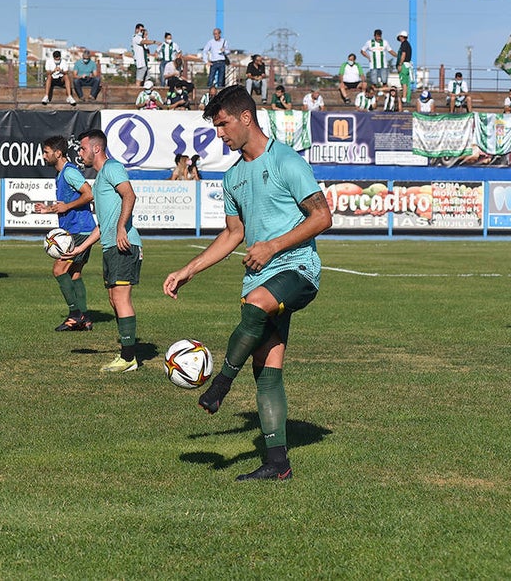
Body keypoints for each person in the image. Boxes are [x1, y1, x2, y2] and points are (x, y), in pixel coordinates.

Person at [163, 85, 332, 481]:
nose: (219, 135)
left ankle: (220, 382)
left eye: (222, 125)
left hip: (297, 270)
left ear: (245, 118)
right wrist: (188, 270)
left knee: (257, 303)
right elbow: (232, 234)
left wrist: (273, 246)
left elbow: (322, 217)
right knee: (267, 368)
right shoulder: (234, 177)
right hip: (262, 275)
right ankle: (277, 464)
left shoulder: (286, 160)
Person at [62, 129, 142, 373]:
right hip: (110, 246)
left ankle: (128, 358)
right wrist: (80, 248)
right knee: (113, 300)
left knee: (120, 298)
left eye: (83, 148)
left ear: (96, 149)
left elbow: (130, 195)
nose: (80, 152)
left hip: (124, 244)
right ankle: (127, 354)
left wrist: (121, 229)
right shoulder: (99, 180)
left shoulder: (112, 168)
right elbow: (101, 225)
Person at [34, 136, 95, 331]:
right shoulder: (61, 174)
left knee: (58, 270)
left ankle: (75, 315)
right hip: (79, 229)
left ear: (58, 153)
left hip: (79, 230)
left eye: (46, 152)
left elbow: (89, 193)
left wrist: (66, 206)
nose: (44, 156)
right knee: (74, 274)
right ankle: (84, 318)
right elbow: (64, 206)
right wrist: (48, 209)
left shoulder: (69, 172)